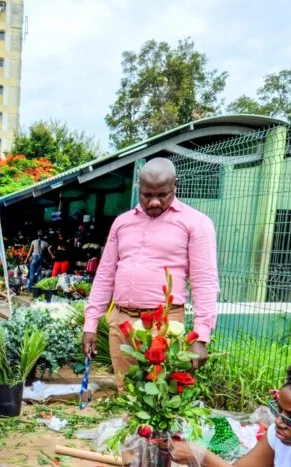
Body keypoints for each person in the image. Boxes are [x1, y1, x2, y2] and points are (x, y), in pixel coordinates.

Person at [82, 158, 219, 387]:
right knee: (125, 391)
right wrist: (90, 324)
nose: (154, 202)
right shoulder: (122, 223)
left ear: (175, 185)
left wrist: (201, 336)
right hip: (121, 320)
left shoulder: (196, 223)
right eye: (147, 195)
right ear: (139, 187)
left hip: (164, 323)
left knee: (159, 394)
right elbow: (105, 275)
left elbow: (204, 280)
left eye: (162, 195)